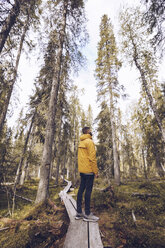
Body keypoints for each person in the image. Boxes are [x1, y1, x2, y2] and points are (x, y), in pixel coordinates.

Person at [75, 126, 99, 222]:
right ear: (87, 132)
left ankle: (79, 212)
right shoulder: (90, 142)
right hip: (89, 171)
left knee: (81, 190)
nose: (91, 132)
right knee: (88, 191)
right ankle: (87, 214)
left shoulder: (81, 142)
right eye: (90, 131)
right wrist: (95, 172)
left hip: (82, 170)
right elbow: (92, 158)